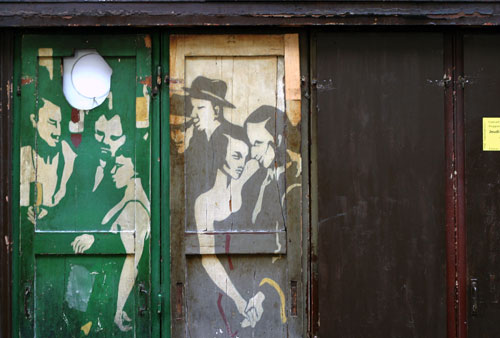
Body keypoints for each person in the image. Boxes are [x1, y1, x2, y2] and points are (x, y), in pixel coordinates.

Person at [194, 125, 264, 328]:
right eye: (236, 156)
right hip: (224, 290)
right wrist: (239, 299)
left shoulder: (244, 183)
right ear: (218, 153)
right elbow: (208, 259)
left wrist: (258, 294)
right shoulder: (204, 203)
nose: (242, 163)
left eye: (244, 156)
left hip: (255, 281)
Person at [71, 152, 150, 332]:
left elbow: (133, 261)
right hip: (101, 293)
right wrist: (94, 239)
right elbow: (116, 238)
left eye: (119, 166)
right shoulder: (127, 199)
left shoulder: (135, 207)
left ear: (135, 168)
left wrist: (118, 309)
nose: (112, 171)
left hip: (109, 296)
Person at [20, 98, 77, 223]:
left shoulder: (70, 158)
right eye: (52, 122)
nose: (58, 132)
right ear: (34, 120)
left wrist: (51, 215)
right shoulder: (23, 155)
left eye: (60, 124)